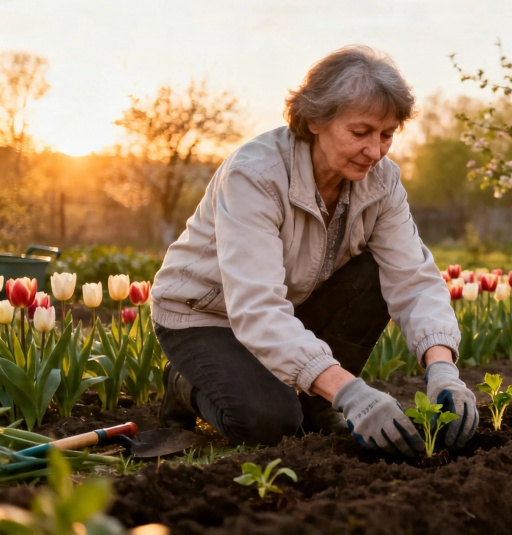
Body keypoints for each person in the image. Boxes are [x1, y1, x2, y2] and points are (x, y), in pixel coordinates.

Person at [149, 45, 478, 456]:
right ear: (315, 119)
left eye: (387, 134)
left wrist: (444, 368)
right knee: (272, 423)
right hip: (204, 316)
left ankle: (317, 399)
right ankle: (185, 384)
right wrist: (352, 393)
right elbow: (256, 308)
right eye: (360, 133)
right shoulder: (256, 176)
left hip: (288, 304)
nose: (375, 152)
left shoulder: (381, 181)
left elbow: (412, 277)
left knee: (377, 271)